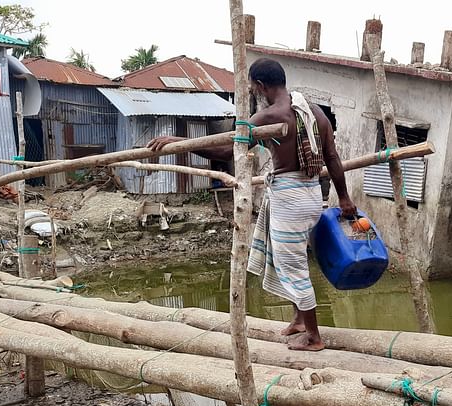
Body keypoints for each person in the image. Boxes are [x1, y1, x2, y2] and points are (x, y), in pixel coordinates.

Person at [149, 58, 356, 352]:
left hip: (290, 199)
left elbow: (225, 150)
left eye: (251, 87)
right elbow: (333, 158)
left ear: (260, 86)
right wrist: (344, 197)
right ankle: (299, 319)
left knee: (294, 266)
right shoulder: (314, 112)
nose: (251, 92)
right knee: (292, 258)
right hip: (312, 196)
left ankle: (314, 337)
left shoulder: (269, 116)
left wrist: (179, 141)